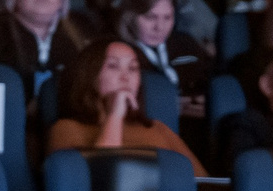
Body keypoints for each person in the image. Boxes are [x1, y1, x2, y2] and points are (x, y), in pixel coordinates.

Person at [46, 37, 205, 172]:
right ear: (90, 75)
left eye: (133, 68)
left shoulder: (158, 128)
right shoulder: (66, 128)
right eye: (113, 66)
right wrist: (114, 116)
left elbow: (205, 184)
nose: (126, 77)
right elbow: (102, 181)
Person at [115, 0, 210, 120]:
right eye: (150, 17)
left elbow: (214, 87)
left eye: (167, 17)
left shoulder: (186, 44)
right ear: (131, 16)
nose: (159, 27)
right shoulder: (118, 53)